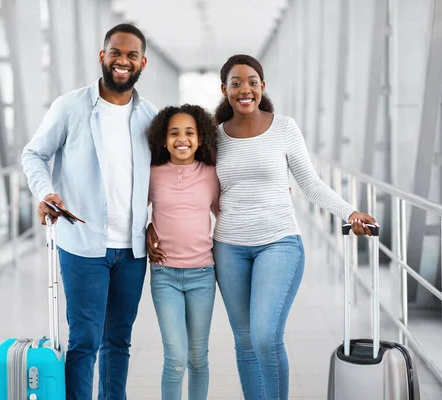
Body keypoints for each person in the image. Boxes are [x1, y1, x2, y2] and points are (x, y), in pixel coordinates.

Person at [147, 54, 377, 400]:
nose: (245, 89)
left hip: (279, 242)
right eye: (236, 83)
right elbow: (190, 181)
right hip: (228, 248)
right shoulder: (215, 138)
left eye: (252, 82)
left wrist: (350, 212)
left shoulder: (284, 128)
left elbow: (311, 184)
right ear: (224, 89)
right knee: (244, 342)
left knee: (265, 337)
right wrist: (150, 225)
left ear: (262, 87)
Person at [21, 23, 157, 400]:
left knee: (119, 342)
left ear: (142, 62)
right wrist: (46, 191)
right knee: (84, 340)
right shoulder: (70, 106)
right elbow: (33, 154)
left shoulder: (150, 117)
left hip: (131, 250)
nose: (122, 61)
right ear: (102, 56)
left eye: (132, 55)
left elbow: (173, 172)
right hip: (82, 244)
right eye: (116, 53)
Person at [146, 104, 219, 400]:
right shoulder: (152, 173)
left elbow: (229, 209)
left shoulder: (212, 174)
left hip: (203, 275)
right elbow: (134, 210)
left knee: (198, 358)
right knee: (175, 359)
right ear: (164, 140)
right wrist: (145, 229)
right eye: (174, 133)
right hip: (165, 275)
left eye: (189, 132)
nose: (182, 138)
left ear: (200, 138)